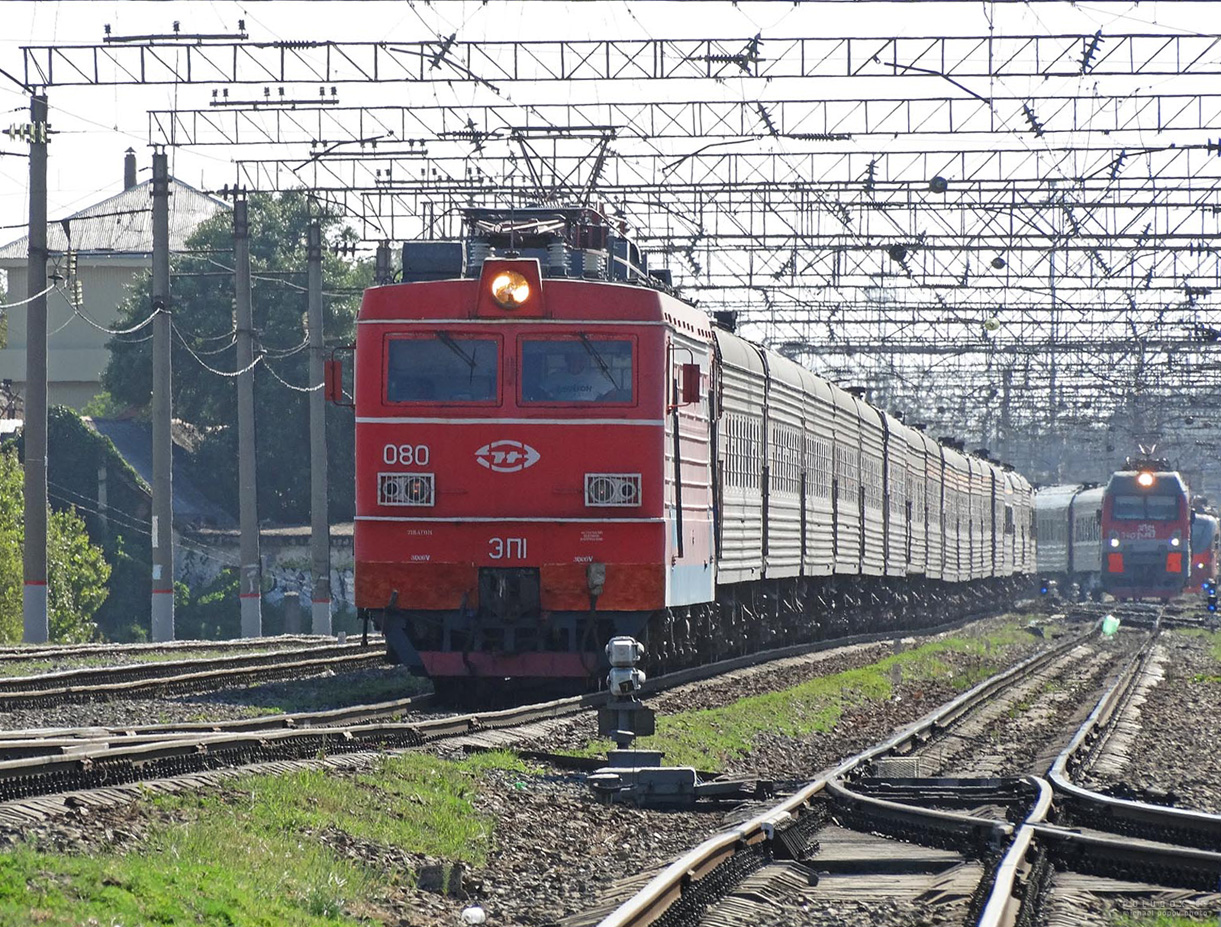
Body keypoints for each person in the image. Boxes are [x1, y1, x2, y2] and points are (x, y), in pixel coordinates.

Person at [541, 348, 614, 401]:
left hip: (588, 414)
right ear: (567, 359)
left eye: (579, 359)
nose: (576, 362)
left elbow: (611, 392)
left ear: (583, 361)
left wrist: (600, 408)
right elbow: (541, 390)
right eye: (572, 358)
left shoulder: (594, 376)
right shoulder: (556, 376)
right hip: (561, 414)